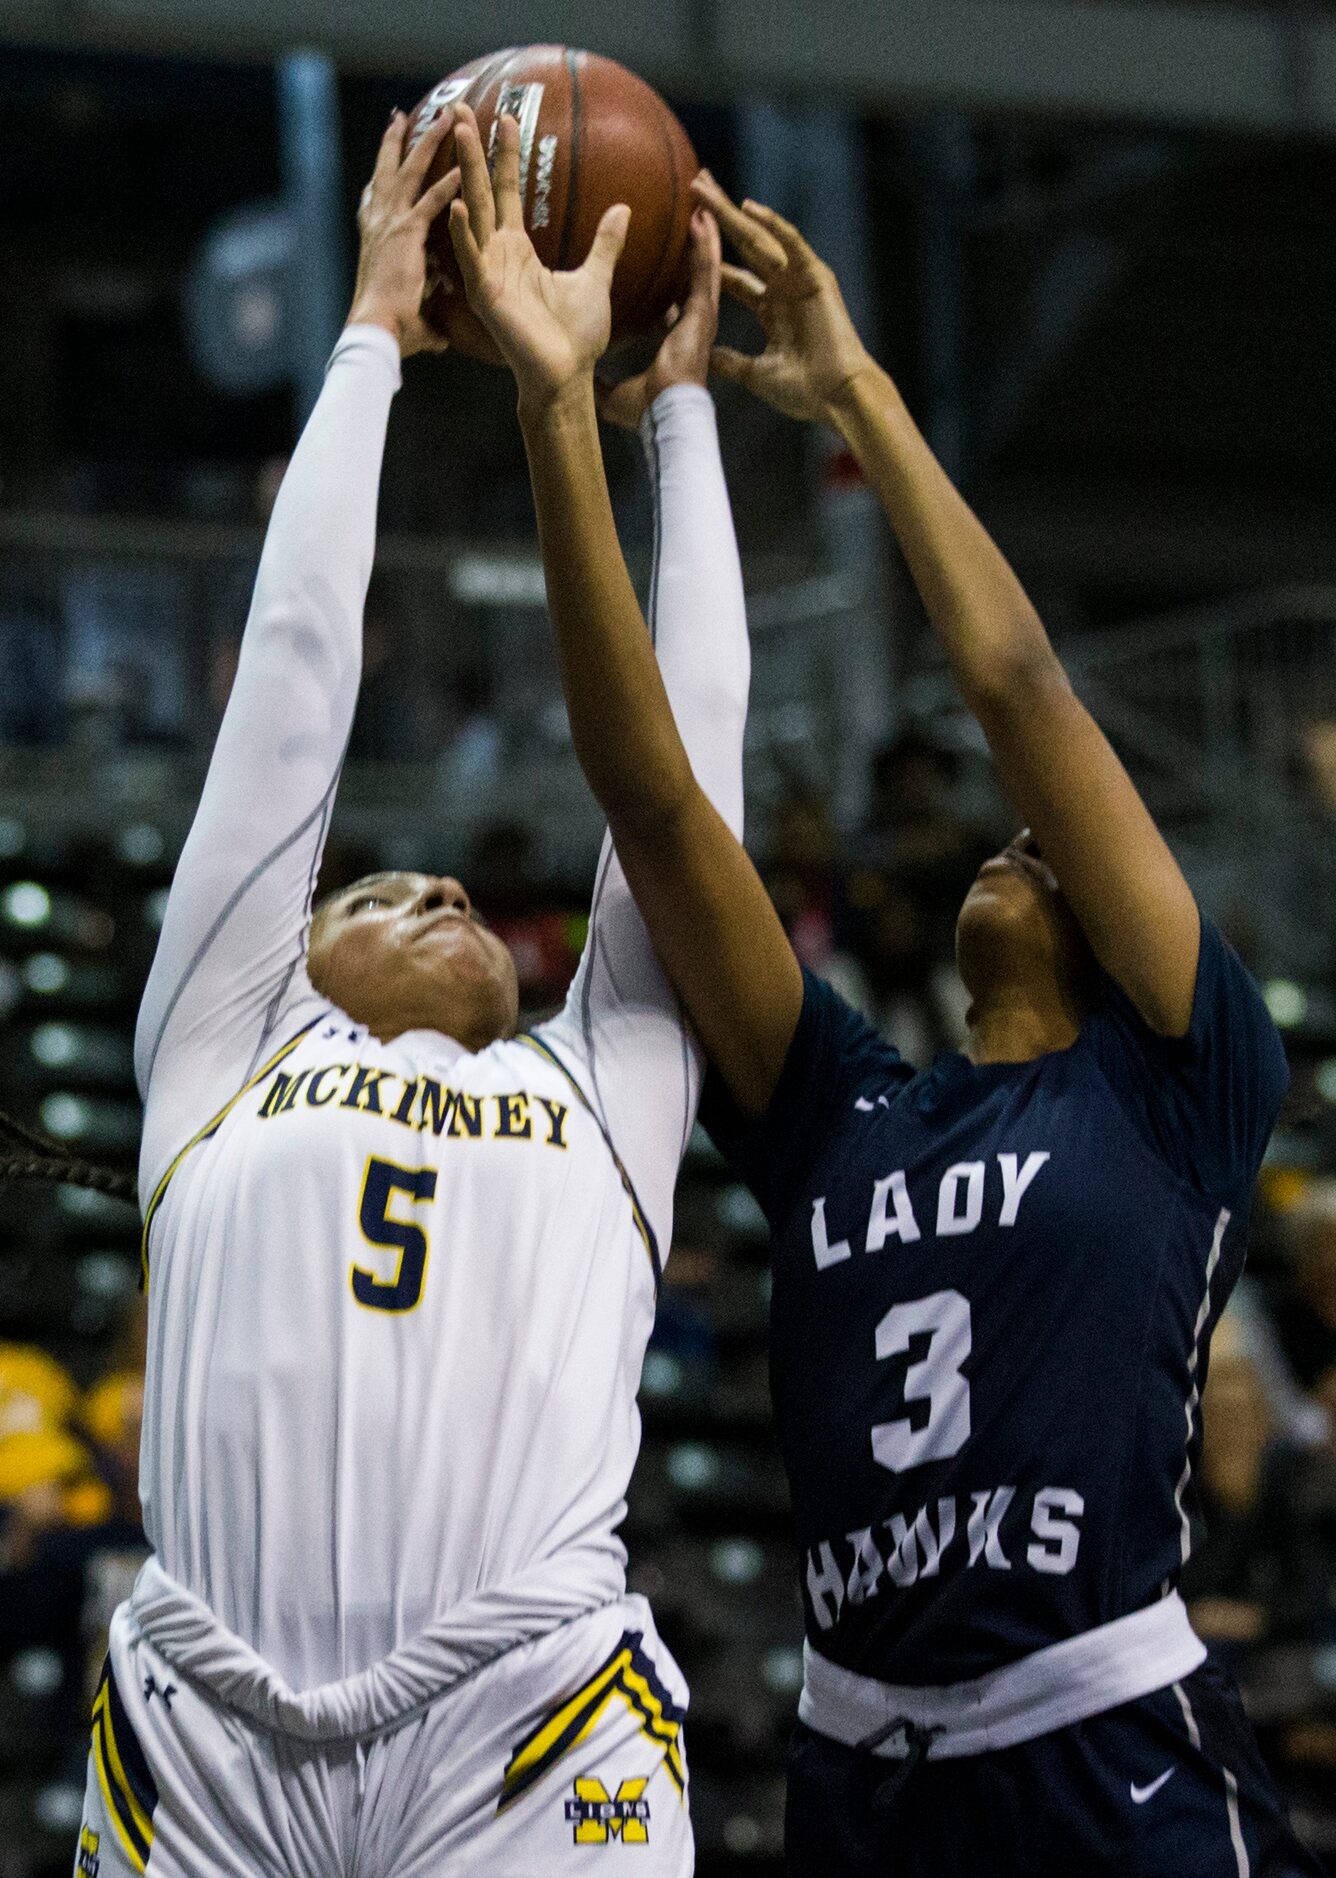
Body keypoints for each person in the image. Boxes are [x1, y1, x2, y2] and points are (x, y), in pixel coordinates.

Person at [450, 113, 1320, 1875]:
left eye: (1053, 842)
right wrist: (558, 411)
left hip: (1102, 1739)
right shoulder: (841, 1103)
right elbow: (657, 801)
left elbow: (1015, 682)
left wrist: (858, 397)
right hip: (866, 1766)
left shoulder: (1176, 1078)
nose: (1023, 834)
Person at [72, 107, 750, 1876]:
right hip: (205, 1738)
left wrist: (678, 415)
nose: (444, 886)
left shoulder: (610, 1074)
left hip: (531, 1720)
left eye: (451, 885)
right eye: (374, 885)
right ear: (283, 945)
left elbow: (695, 786)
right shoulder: (223, 1041)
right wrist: (367, 336)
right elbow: (293, 680)